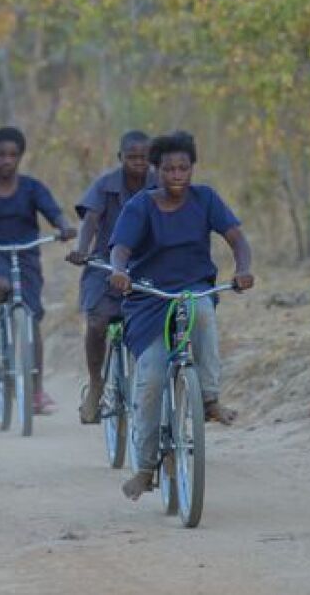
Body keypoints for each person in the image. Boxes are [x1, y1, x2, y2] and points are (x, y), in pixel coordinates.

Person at [106, 131, 254, 501]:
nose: (176, 174)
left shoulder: (205, 199)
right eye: (168, 168)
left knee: (203, 313)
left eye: (183, 168)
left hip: (192, 288)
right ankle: (144, 468)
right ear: (156, 170)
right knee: (152, 378)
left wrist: (243, 268)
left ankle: (209, 398)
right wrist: (119, 271)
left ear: (192, 169)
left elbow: (236, 238)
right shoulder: (140, 205)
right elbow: (120, 248)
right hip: (149, 297)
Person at [0, 126, 76, 415]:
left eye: (13, 155)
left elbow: (54, 212)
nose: (7, 160)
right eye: (1, 155)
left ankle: (35, 392)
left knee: (31, 319)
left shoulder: (32, 188)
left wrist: (64, 226)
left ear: (20, 157)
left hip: (26, 254)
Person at [66, 130, 153, 424]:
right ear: (121, 158)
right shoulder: (105, 185)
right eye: (132, 157)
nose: (138, 162)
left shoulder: (161, 183)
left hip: (148, 266)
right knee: (97, 320)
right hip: (105, 264)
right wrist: (81, 249)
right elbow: (90, 219)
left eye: (144, 157)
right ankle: (96, 384)